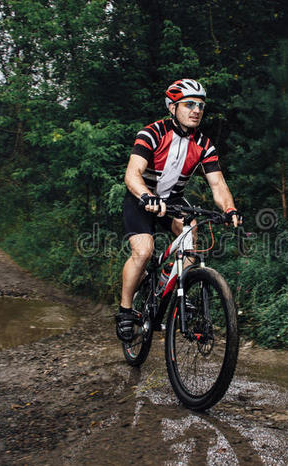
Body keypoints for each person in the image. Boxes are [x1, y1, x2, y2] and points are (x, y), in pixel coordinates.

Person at [115, 78, 241, 342]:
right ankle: (126, 311)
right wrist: (147, 196)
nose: (196, 110)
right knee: (143, 250)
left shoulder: (205, 145)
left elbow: (217, 184)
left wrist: (229, 209)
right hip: (142, 197)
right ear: (172, 108)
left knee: (192, 249)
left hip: (173, 200)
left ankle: (174, 291)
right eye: (189, 104)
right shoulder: (152, 133)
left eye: (200, 105)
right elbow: (132, 173)